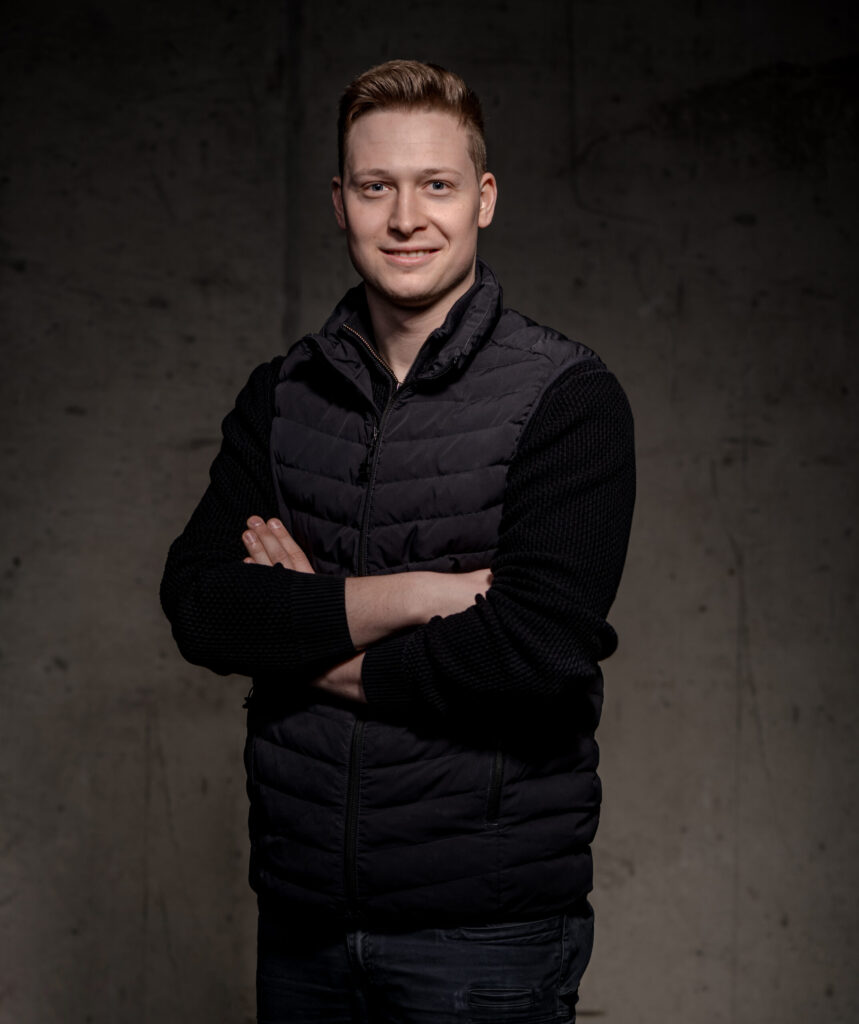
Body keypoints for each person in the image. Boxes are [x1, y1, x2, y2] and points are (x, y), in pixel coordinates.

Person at [160, 59, 635, 1024]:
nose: (406, 218)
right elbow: (202, 606)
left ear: (483, 200)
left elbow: (532, 650)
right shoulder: (281, 397)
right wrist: (418, 594)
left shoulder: (567, 398)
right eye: (376, 186)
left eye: (436, 186)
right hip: (301, 917)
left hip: (485, 931)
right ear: (339, 203)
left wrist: (302, 637)